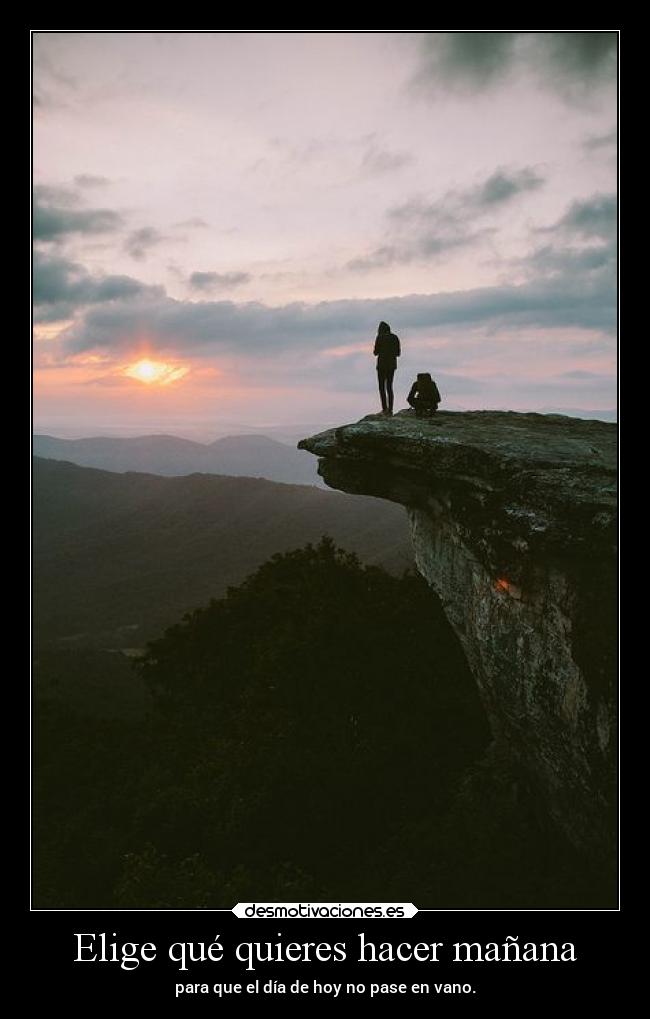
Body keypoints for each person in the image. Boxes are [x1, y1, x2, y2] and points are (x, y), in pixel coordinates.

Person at [373, 321, 401, 415]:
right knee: (389, 387)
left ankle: (384, 409)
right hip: (392, 365)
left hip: (381, 365)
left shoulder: (380, 337)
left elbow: (375, 352)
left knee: (382, 387)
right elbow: (398, 353)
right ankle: (390, 409)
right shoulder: (395, 337)